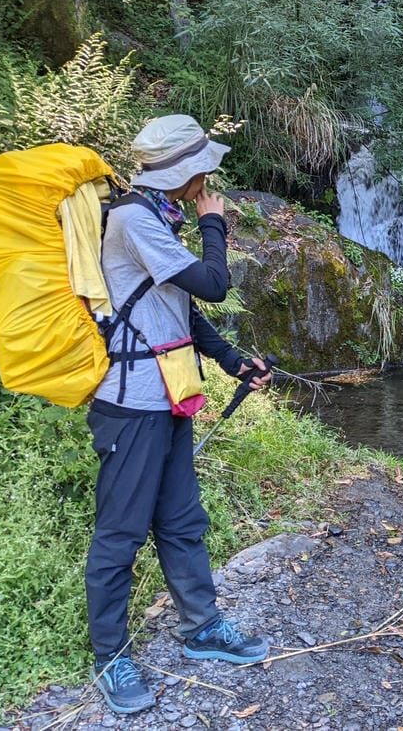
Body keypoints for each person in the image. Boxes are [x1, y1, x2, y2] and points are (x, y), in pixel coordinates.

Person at [86, 114, 273, 714]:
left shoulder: (154, 217)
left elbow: (182, 311)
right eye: (203, 169)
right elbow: (213, 283)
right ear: (184, 173)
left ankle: (202, 629)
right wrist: (213, 222)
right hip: (130, 403)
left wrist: (232, 361)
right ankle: (111, 658)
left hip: (169, 393)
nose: (209, 178)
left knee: (182, 521)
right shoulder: (135, 220)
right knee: (119, 534)